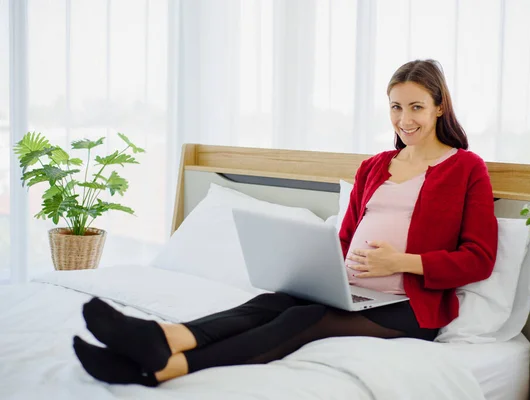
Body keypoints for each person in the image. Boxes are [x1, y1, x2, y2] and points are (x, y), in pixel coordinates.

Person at [73, 59, 498, 386]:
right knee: (271, 303)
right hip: (353, 291)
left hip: (408, 309)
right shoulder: (375, 166)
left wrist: (401, 262)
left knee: (300, 321)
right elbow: (346, 236)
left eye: (417, 107)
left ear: (440, 106)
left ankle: (164, 368)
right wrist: (325, 271)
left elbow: (478, 259)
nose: (405, 119)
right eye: (396, 107)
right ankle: (162, 336)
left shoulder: (466, 168)